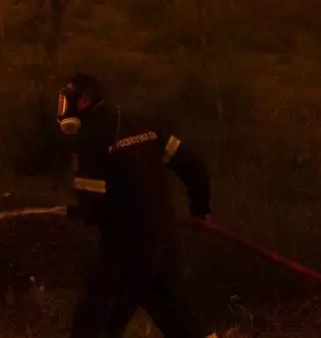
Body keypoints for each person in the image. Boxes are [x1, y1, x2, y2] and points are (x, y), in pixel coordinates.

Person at [57, 73, 215, 338]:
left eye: (67, 102)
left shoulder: (91, 138)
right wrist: (201, 209)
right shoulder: (143, 124)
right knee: (179, 317)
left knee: (94, 322)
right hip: (165, 238)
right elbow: (193, 165)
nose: (64, 110)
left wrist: (81, 212)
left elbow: (92, 204)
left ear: (84, 101)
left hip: (128, 247)